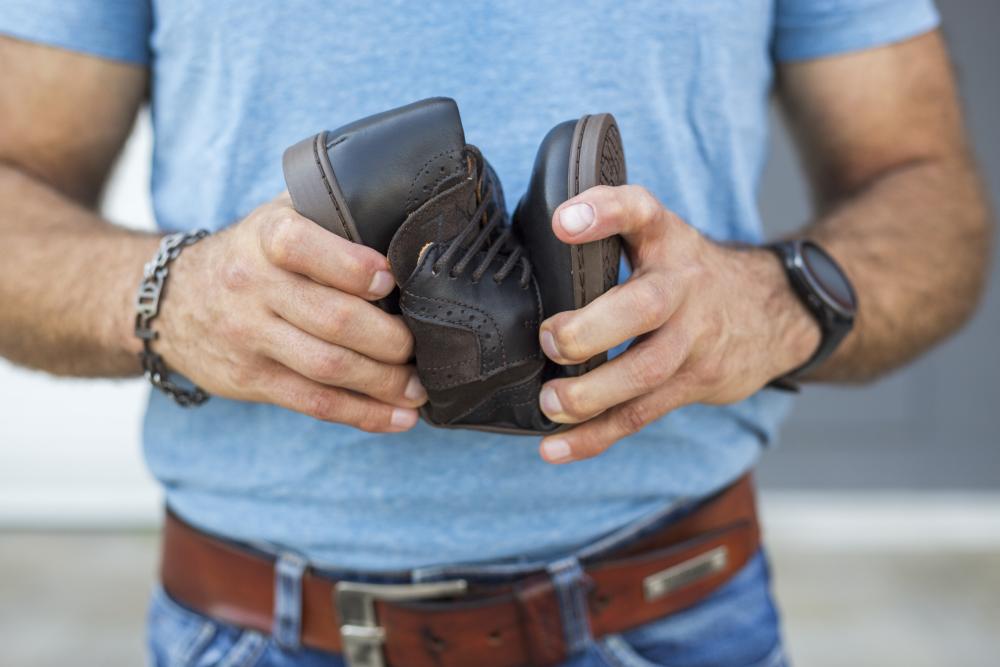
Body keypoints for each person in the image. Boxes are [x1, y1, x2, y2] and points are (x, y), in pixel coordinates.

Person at [0, 2, 991, 666]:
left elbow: (924, 191)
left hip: (673, 610)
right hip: (254, 622)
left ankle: (465, 270)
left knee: (511, 319)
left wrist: (769, 302)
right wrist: (176, 295)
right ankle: (471, 278)